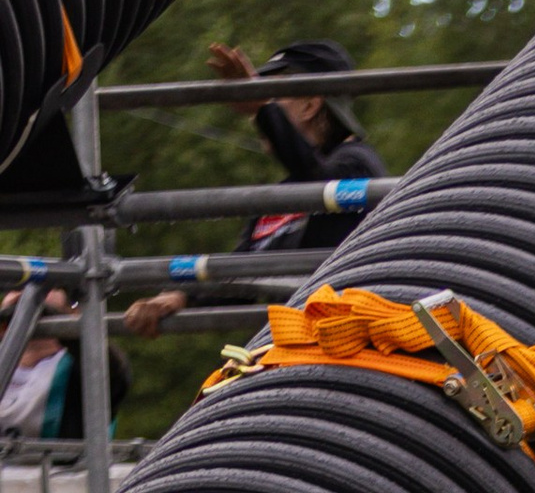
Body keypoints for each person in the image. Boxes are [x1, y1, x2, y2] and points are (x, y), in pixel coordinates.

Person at [124, 40, 388, 341]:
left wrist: (263, 109)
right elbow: (241, 272)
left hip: (342, 345)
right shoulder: (285, 193)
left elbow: (321, 183)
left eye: (274, 96)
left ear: (310, 106)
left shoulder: (357, 163)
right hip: (296, 346)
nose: (257, 118)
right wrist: (179, 297)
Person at [0, 285, 131, 447]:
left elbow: (112, 372)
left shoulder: (80, 367)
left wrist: (52, 316)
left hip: (61, 463)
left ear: (74, 312)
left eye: (45, 287)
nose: (26, 293)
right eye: (17, 287)